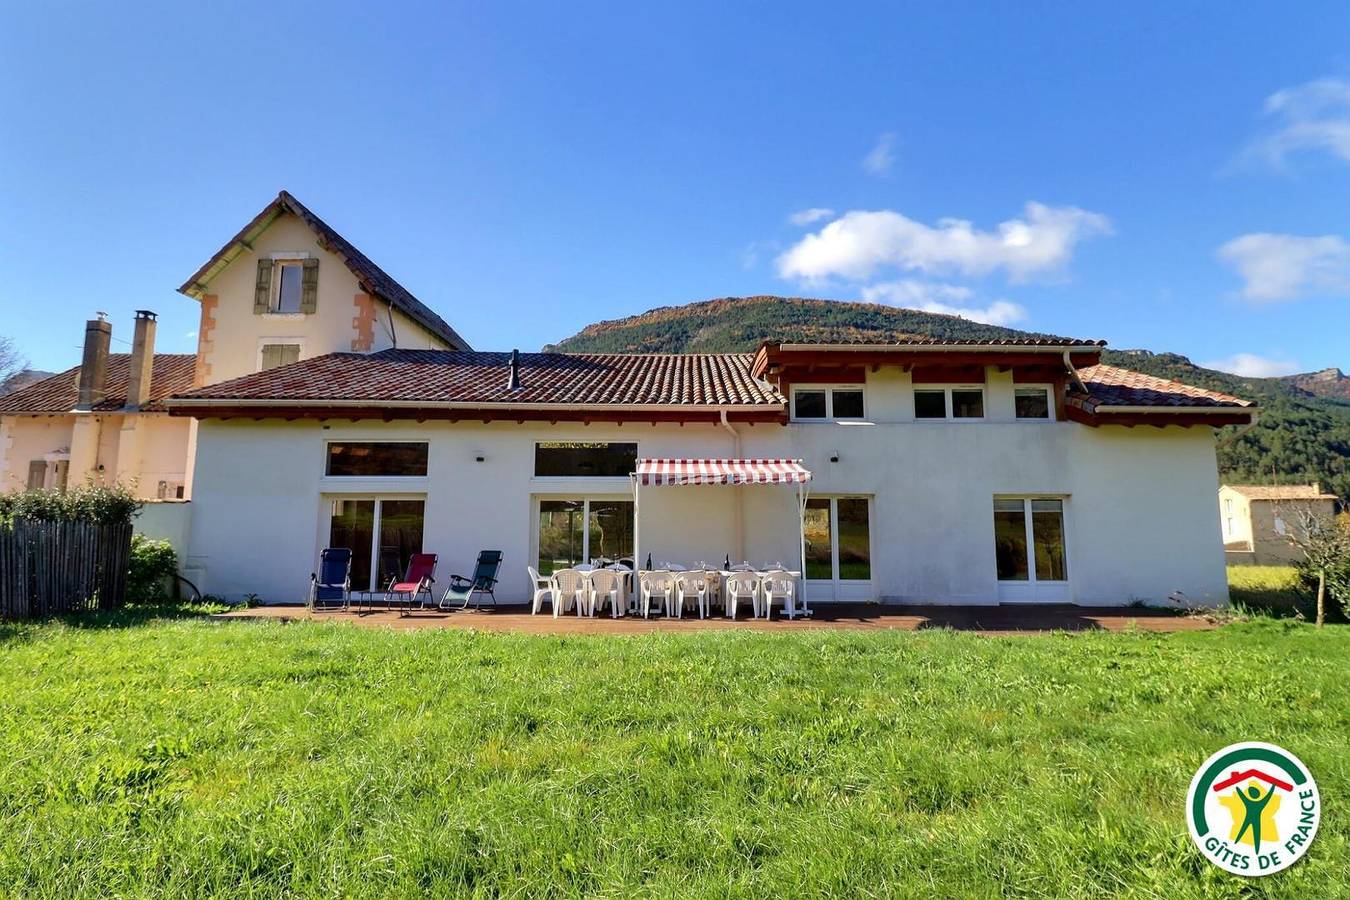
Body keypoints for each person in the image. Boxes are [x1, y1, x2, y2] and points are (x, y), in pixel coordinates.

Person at [1234, 782, 1277, 852]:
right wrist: (1273, 786)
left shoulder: (1248, 802)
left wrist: (1237, 788)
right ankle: (1257, 850)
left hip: (1250, 819)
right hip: (1256, 820)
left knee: (1242, 832)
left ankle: (1236, 843)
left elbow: (1241, 795)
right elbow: (1269, 795)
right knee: (1256, 836)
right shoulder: (1261, 803)